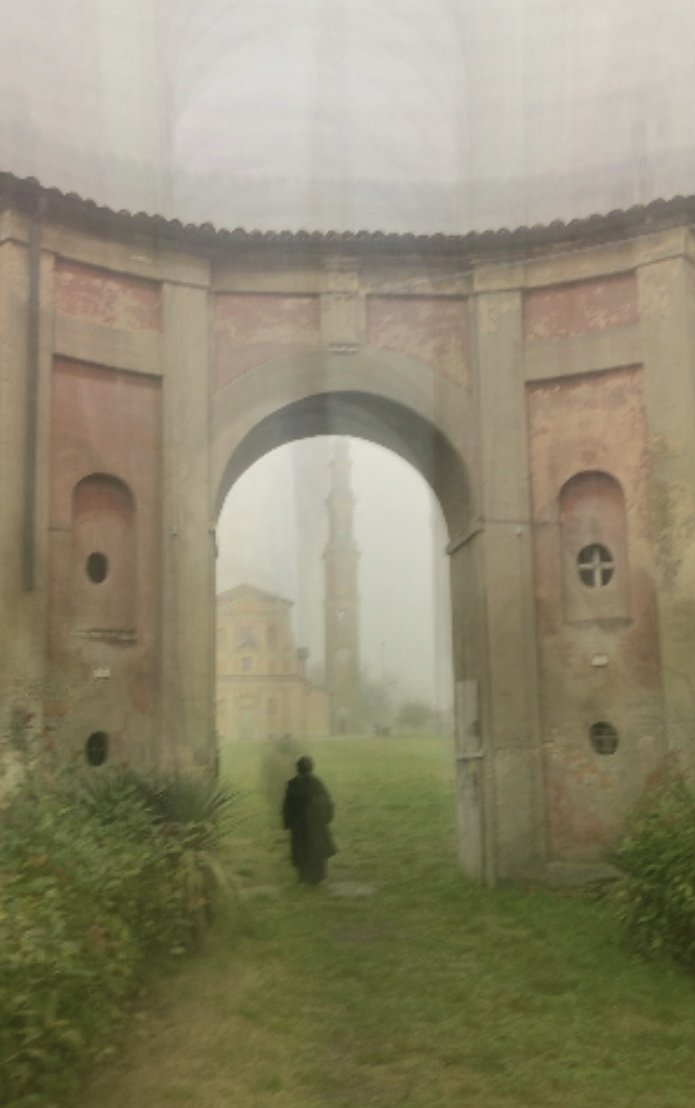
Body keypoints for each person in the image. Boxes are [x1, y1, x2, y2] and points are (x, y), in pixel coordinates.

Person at [282, 755, 336, 885]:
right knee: (317, 851)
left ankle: (304, 877)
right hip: (316, 824)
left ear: (297, 769)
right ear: (311, 767)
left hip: (299, 827)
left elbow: (288, 806)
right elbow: (327, 802)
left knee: (302, 852)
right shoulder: (317, 783)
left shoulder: (293, 784)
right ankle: (319, 876)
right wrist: (326, 819)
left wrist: (288, 823)